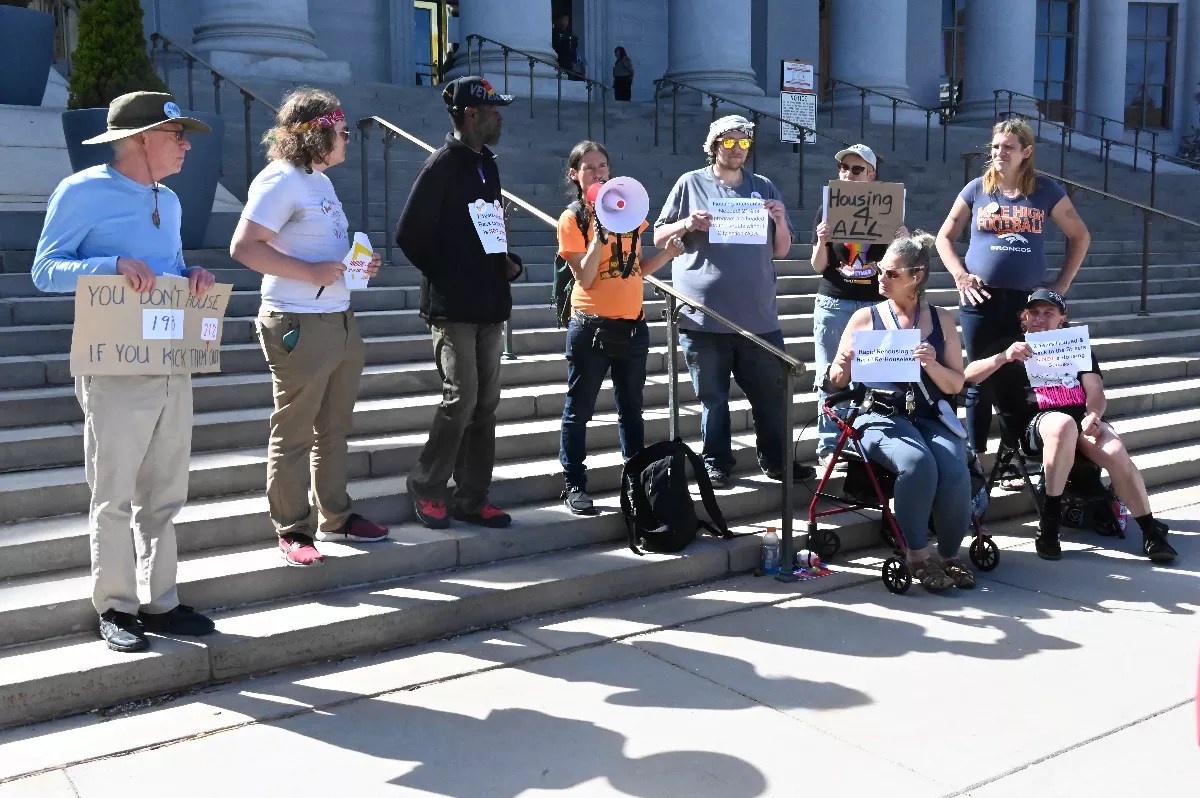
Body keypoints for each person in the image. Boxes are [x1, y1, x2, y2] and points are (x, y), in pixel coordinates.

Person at [31, 91, 218, 651]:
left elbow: (172, 268)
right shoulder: (81, 191)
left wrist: (193, 275)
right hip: (113, 365)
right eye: (176, 134)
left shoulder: (171, 200)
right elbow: (45, 270)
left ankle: (161, 602)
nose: (186, 145)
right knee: (113, 491)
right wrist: (109, 267)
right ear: (139, 139)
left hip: (168, 360)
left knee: (165, 491)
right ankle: (115, 606)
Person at [230, 88, 389, 568]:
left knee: (334, 427)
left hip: (337, 318)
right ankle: (293, 528)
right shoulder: (279, 180)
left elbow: (315, 249)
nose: (346, 140)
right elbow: (244, 247)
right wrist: (313, 273)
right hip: (297, 319)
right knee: (296, 428)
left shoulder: (317, 181)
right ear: (317, 132)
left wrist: (358, 265)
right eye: (341, 133)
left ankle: (335, 516)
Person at [653, 114, 815, 488]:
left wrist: (780, 221)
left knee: (771, 398)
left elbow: (782, 250)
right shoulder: (690, 183)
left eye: (744, 143)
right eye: (730, 142)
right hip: (704, 317)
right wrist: (688, 224)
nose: (738, 150)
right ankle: (717, 463)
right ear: (714, 145)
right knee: (713, 399)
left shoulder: (763, 186)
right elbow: (660, 236)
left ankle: (776, 461)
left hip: (758, 316)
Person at [963, 289, 1177, 563]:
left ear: (1062, 319)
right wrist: (1004, 357)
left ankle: (1149, 530)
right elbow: (967, 377)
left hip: (1079, 417)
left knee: (1113, 449)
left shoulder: (1076, 346)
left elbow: (1095, 388)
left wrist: (1094, 414)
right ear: (1024, 317)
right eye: (1034, 313)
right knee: (1062, 424)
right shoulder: (1010, 345)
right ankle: (1050, 522)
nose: (1040, 318)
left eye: (1048, 312)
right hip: (1032, 424)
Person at [395, 76, 524, 530]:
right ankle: (428, 486)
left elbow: (484, 230)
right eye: (492, 110)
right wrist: (454, 274)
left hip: (489, 304)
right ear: (471, 114)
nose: (499, 116)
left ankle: (472, 496)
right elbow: (409, 237)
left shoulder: (486, 163)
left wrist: (504, 262)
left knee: (485, 404)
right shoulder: (442, 165)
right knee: (461, 399)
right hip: (453, 308)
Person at [825, 232, 975, 592]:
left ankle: (951, 554)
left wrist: (933, 364)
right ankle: (917, 554)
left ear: (916, 276)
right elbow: (834, 380)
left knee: (955, 467)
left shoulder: (942, 320)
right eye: (880, 271)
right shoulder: (865, 318)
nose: (881, 278)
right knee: (916, 463)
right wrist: (842, 366)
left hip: (929, 414)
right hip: (879, 415)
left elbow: (957, 384)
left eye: (891, 274)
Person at [935, 118, 1090, 457]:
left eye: (1008, 147)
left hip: (1026, 302)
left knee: (1022, 377)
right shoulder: (976, 189)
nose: (999, 152)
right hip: (980, 298)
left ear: (1026, 152)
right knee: (976, 379)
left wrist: (1061, 285)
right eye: (995, 146)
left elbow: (1080, 235)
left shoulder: (1046, 191)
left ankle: (1013, 453)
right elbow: (944, 237)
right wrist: (960, 275)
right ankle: (974, 461)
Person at [557, 140, 683, 514]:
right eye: (590, 168)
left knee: (632, 409)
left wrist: (668, 254)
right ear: (574, 175)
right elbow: (587, 277)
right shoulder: (573, 219)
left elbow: (636, 269)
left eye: (603, 167)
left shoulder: (628, 211)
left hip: (633, 327)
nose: (598, 173)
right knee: (579, 409)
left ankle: (637, 480)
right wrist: (598, 237)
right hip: (591, 327)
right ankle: (574, 484)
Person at [810, 143, 909, 469]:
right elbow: (817, 265)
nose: (848, 174)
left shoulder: (888, 209)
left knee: (875, 378)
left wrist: (903, 240)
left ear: (871, 175)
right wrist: (823, 240)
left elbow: (899, 269)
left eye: (856, 169)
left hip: (875, 305)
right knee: (831, 375)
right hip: (835, 302)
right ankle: (829, 445)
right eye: (844, 168)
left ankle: (870, 442)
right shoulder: (827, 208)